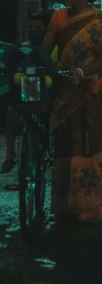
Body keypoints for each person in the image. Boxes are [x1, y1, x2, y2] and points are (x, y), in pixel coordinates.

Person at [42, 0, 102, 223]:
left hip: (91, 91)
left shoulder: (97, 19)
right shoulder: (58, 17)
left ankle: (89, 205)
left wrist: (82, 71)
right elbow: (46, 50)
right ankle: (65, 204)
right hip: (64, 90)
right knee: (65, 146)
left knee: (90, 145)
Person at [1, 13, 56, 174]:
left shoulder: (54, 48)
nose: (34, 32)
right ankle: (10, 155)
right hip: (29, 91)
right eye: (31, 28)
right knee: (11, 113)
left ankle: (50, 152)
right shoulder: (24, 49)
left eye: (38, 29)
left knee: (53, 117)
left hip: (49, 92)